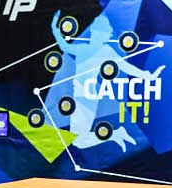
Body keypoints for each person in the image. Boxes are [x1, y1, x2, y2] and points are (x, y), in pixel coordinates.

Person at [50, 10, 165, 152]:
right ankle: (116, 134)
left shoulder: (105, 51)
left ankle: (116, 134)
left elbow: (126, 67)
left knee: (79, 141)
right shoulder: (83, 48)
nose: (95, 35)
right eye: (95, 31)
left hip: (86, 98)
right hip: (80, 96)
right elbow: (64, 46)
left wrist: (148, 76)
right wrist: (54, 28)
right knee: (79, 140)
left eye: (100, 33)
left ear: (104, 36)